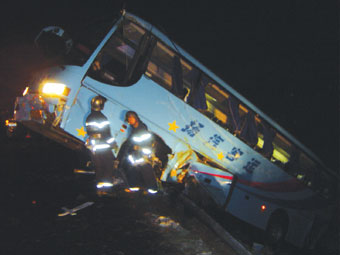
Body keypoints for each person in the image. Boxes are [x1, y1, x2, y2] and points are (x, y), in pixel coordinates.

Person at [117, 111, 171, 193]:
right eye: (128, 119)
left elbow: (146, 142)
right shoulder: (132, 129)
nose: (130, 121)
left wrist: (138, 147)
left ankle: (153, 189)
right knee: (133, 169)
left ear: (135, 118)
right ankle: (134, 186)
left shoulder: (142, 128)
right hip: (135, 154)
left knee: (146, 170)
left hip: (142, 153)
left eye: (131, 119)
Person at [85, 96, 117, 196]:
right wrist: (113, 143)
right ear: (101, 105)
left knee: (98, 167)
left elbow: (90, 132)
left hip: (94, 147)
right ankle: (106, 190)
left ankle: (99, 189)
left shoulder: (89, 117)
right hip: (103, 146)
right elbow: (106, 133)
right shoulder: (102, 118)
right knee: (108, 166)